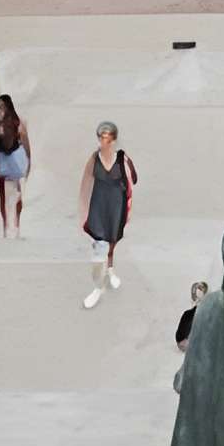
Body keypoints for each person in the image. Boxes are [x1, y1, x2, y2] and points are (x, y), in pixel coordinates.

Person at [79, 119, 136, 310]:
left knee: (112, 242)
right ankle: (97, 287)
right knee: (99, 247)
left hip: (116, 206)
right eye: (101, 138)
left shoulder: (121, 158)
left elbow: (131, 181)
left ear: (114, 140)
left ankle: (110, 269)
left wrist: (129, 208)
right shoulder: (94, 158)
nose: (103, 142)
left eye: (107, 139)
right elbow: (86, 183)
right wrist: (83, 212)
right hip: (98, 206)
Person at [0, 93, 32, 238]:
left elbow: (26, 146)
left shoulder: (17, 122)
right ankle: (6, 227)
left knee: (17, 197)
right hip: (0, 166)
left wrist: (27, 165)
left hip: (16, 165)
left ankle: (16, 223)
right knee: (3, 196)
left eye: (1, 106)